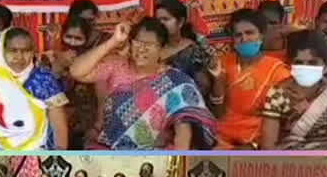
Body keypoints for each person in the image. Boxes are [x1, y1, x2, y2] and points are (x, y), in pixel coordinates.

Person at [70, 19, 217, 150]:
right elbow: (76, 71)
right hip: (111, 149)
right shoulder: (116, 66)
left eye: (149, 45)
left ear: (161, 49)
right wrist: (112, 41)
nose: (141, 49)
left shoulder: (175, 81)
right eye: (138, 42)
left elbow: (183, 131)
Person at [0, 27, 69, 150]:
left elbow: (59, 128)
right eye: (13, 50)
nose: (20, 56)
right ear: (2, 51)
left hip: (35, 150)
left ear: (32, 51)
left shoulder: (44, 81)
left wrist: (59, 151)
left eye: (25, 51)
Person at [261, 30, 327, 150]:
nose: (306, 67)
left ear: (325, 64)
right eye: (299, 63)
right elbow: (268, 148)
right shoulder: (278, 94)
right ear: (289, 64)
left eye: (312, 62)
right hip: (289, 160)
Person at [216, 8, 291, 149]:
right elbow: (216, 108)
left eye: (249, 33)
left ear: (261, 35)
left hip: (258, 141)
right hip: (221, 136)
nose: (244, 39)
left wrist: (255, 145)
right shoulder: (223, 63)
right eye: (238, 35)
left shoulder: (278, 71)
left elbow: (284, 120)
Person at [45, 15, 98, 149]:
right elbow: (42, 90)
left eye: (78, 38)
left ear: (86, 40)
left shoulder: (93, 59)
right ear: (62, 35)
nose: (72, 42)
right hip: (54, 125)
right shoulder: (49, 58)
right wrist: (58, 64)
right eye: (69, 37)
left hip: (85, 127)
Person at [156, 0, 216, 103]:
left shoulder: (193, 50)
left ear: (180, 22)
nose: (161, 24)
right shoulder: (153, 50)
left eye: (166, 19)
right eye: (158, 20)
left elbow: (203, 87)